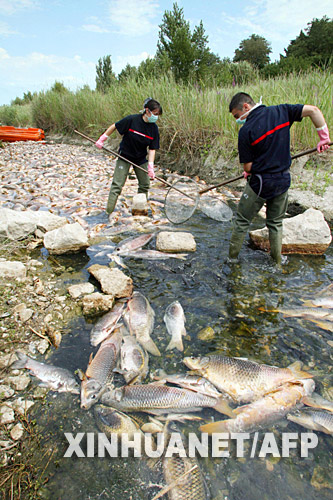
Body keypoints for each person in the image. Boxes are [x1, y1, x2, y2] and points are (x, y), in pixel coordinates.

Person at [228, 92, 331, 265]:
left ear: (246, 106)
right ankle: (276, 263)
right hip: (282, 181)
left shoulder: (246, 130)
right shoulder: (282, 111)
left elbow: (247, 167)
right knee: (275, 224)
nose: (238, 120)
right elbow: (314, 110)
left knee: (242, 222)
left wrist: (249, 171)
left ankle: (231, 262)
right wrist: (324, 138)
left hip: (260, 183)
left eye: (237, 116)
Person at [95, 97, 163, 216]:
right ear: (147, 111)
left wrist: (150, 167)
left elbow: (152, 149)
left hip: (140, 158)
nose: (156, 117)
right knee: (117, 185)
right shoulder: (132, 120)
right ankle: (108, 213)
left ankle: (140, 212)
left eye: (158, 115)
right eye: (155, 114)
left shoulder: (154, 129)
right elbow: (115, 126)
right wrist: (102, 139)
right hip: (125, 156)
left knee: (145, 184)